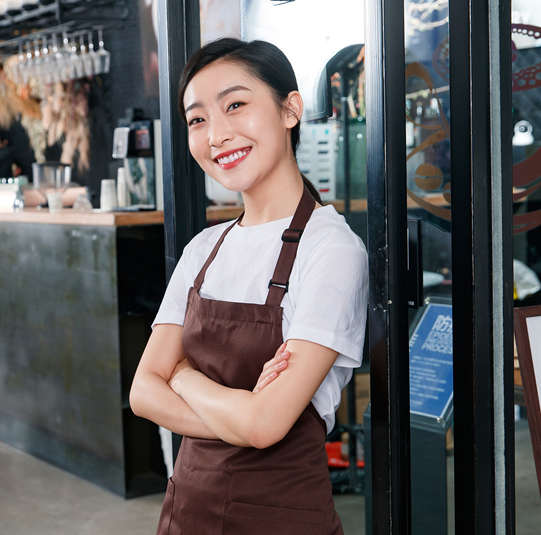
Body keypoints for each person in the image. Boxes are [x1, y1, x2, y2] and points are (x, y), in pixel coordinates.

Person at [129, 38, 368, 534]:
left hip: (279, 519)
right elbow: (142, 393)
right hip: (186, 513)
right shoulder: (204, 249)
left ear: (290, 110)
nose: (216, 134)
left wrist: (184, 377)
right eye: (197, 119)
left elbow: (267, 425)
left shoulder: (332, 250)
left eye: (235, 105)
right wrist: (239, 415)